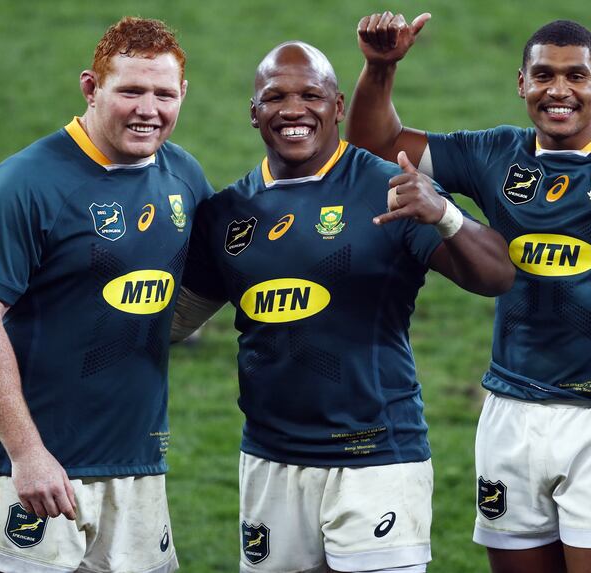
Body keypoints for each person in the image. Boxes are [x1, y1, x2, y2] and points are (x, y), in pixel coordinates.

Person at [346, 12, 591, 573]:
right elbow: (375, 145)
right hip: (510, 415)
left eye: (576, 76)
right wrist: (380, 67)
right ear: (521, 83)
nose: (559, 90)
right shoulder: (495, 155)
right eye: (544, 75)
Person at [171, 41, 514, 573]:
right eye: (274, 96)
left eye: (310, 94)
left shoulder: (387, 187)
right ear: (253, 111)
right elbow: (172, 322)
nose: (292, 109)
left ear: (337, 106)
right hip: (270, 463)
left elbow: (497, 275)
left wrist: (444, 213)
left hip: (375, 460)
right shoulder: (227, 213)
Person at [0, 16, 214, 573]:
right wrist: (26, 453)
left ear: (183, 94)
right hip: (34, 468)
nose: (149, 109)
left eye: (164, 94)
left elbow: (205, 287)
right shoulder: (23, 186)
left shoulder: (183, 177)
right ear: (92, 88)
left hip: (137, 463)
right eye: (131, 91)